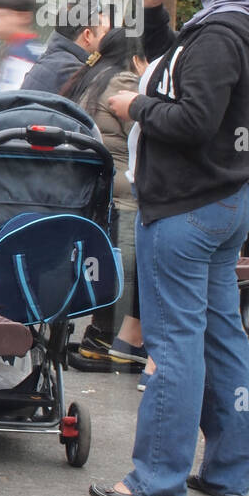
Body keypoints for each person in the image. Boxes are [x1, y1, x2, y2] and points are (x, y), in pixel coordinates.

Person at [90, 0, 249, 496]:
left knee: (173, 344)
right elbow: (172, 67)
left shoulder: (219, 36)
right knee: (220, 338)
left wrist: (134, 107)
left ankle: (156, 477)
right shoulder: (239, 27)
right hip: (225, 203)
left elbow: (192, 119)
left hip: (185, 207)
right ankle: (229, 471)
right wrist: (155, 10)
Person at [63, 27, 152, 371]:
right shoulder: (126, 83)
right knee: (134, 265)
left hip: (95, 193)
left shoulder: (89, 77)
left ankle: (100, 335)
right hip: (125, 194)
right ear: (135, 58)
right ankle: (118, 338)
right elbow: (146, 137)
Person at [21, 0, 109, 94]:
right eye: (105, 32)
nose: (107, 38)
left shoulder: (52, 60)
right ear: (88, 35)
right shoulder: (73, 73)